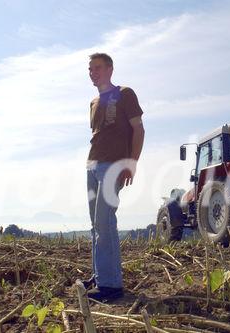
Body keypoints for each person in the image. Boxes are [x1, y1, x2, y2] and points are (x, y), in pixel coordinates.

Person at [83, 52, 145, 302]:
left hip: (113, 166)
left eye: (97, 67)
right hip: (92, 165)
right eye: (90, 69)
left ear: (110, 69)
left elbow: (138, 128)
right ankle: (100, 276)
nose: (92, 72)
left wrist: (132, 162)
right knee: (96, 224)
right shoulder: (94, 102)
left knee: (105, 222)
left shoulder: (125, 93)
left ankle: (111, 286)